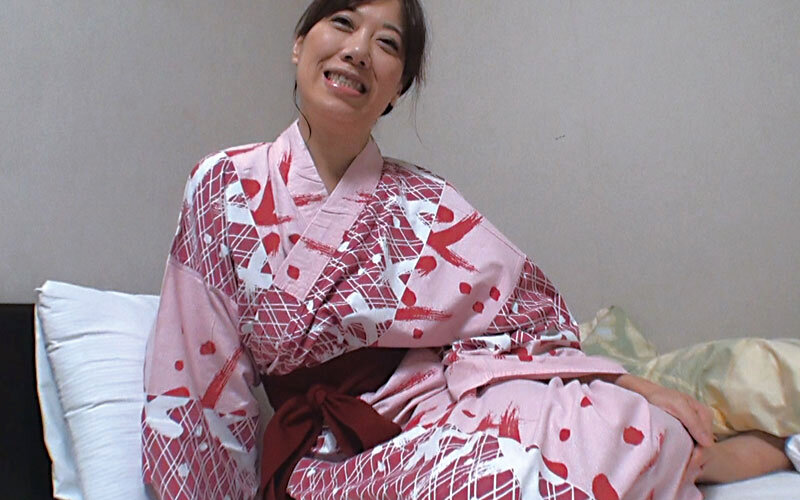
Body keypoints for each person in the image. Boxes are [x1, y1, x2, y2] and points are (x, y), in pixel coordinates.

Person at [141, 1, 791, 499]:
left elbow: (525, 320)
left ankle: (736, 456)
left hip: (436, 401)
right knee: (499, 477)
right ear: (299, 44)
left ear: (398, 87)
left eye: (387, 44)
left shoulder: (423, 201)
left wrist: (633, 383)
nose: (359, 51)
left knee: (617, 426)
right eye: (342, 23)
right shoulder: (221, 186)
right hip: (330, 454)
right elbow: (199, 383)